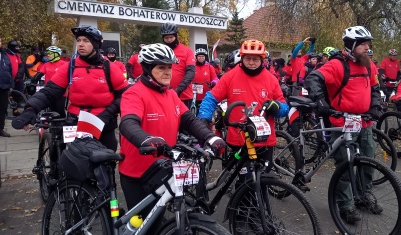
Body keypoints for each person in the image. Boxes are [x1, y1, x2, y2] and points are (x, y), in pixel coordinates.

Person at [118, 43, 226, 218]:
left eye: (170, 67)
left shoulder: (171, 94)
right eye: (161, 67)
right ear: (147, 68)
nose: (168, 72)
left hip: (162, 170)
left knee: (158, 222)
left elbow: (189, 120)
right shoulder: (135, 93)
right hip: (138, 173)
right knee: (143, 225)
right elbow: (128, 123)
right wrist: (146, 140)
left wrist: (210, 137)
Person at [305, 25, 382, 224]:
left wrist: (374, 106)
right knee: (346, 165)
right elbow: (313, 78)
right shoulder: (337, 65)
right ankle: (345, 206)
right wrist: (320, 101)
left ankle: (364, 195)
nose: (367, 47)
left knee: (368, 160)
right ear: (351, 45)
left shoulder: (368, 64)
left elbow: (374, 88)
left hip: (364, 122)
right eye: (363, 44)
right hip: (343, 122)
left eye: (368, 43)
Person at [11, 25, 128, 151]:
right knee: (74, 161)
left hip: (103, 121)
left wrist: (108, 113)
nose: (81, 44)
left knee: (108, 160)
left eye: (86, 41)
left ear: (96, 44)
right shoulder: (70, 66)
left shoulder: (109, 67)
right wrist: (31, 108)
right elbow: (50, 91)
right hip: (76, 120)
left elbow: (125, 95)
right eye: (78, 40)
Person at [197, 39, 289, 170]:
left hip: (265, 140)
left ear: (262, 59)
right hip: (238, 139)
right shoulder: (230, 77)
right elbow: (210, 98)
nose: (251, 63)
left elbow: (285, 108)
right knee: (242, 183)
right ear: (242, 58)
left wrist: (278, 107)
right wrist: (204, 119)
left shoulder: (271, 79)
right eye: (248, 59)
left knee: (263, 181)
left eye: (255, 59)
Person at [160, 23, 196, 107]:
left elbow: (191, 72)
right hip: (164, 94)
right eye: (166, 38)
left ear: (176, 36)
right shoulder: (160, 51)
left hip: (184, 96)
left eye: (171, 37)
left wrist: (179, 90)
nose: (169, 40)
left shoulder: (187, 51)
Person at [31, 46, 68, 118]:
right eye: (48, 53)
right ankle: (53, 127)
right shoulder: (46, 64)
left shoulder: (64, 64)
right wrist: (32, 80)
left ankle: (62, 125)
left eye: (50, 53)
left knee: (60, 110)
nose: (48, 55)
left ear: (56, 54)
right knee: (52, 110)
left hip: (61, 92)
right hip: (49, 91)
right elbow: (39, 74)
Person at [5, 40, 25, 116]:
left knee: (17, 95)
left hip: (17, 78)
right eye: (16, 47)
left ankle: (15, 111)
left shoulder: (16, 55)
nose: (17, 49)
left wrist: (19, 73)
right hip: (9, 78)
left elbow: (21, 65)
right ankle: (4, 111)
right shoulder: (5, 55)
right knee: (7, 95)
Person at [0, 37, 13, 137]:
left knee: (3, 109)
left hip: (3, 86)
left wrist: (10, 85)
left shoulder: (4, 55)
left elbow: (9, 71)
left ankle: (0, 128)